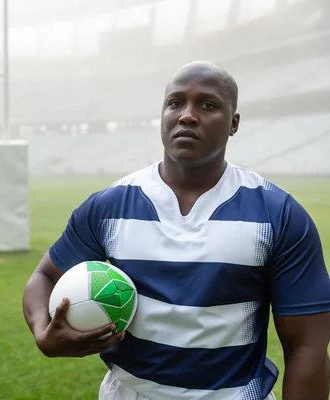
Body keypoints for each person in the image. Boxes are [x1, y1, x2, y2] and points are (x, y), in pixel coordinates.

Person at [22, 61, 330, 400]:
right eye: (175, 103)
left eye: (208, 105)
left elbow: (306, 346)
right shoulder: (109, 206)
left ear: (234, 124)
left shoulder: (279, 215)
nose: (187, 115)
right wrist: (42, 330)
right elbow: (45, 277)